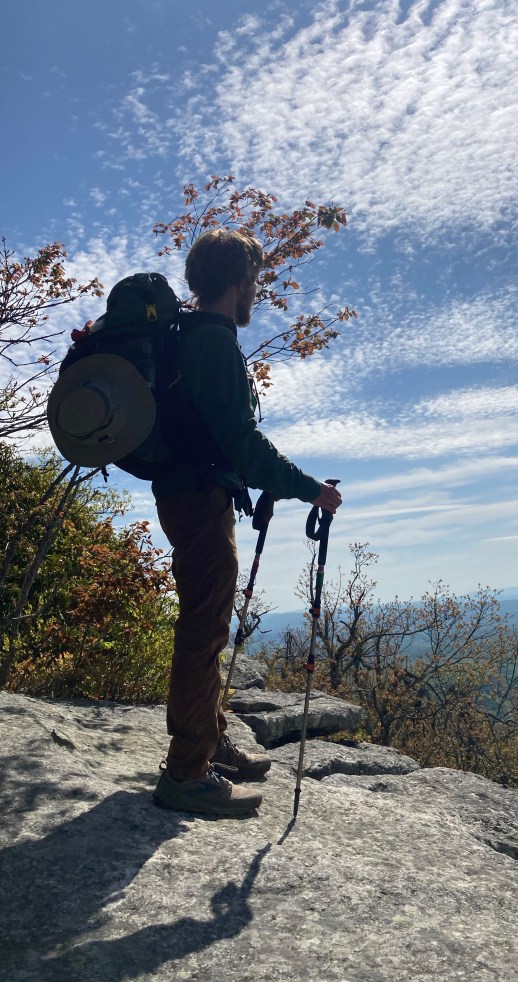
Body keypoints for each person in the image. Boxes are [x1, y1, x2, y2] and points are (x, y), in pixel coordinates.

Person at [152, 228, 342, 817]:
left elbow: (223, 437)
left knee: (207, 625)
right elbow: (242, 441)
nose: (256, 290)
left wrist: (260, 482)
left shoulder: (193, 336)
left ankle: (210, 741)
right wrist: (310, 489)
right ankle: (187, 772)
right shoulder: (211, 340)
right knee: (204, 629)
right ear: (238, 281)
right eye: (254, 279)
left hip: (196, 493)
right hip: (199, 497)